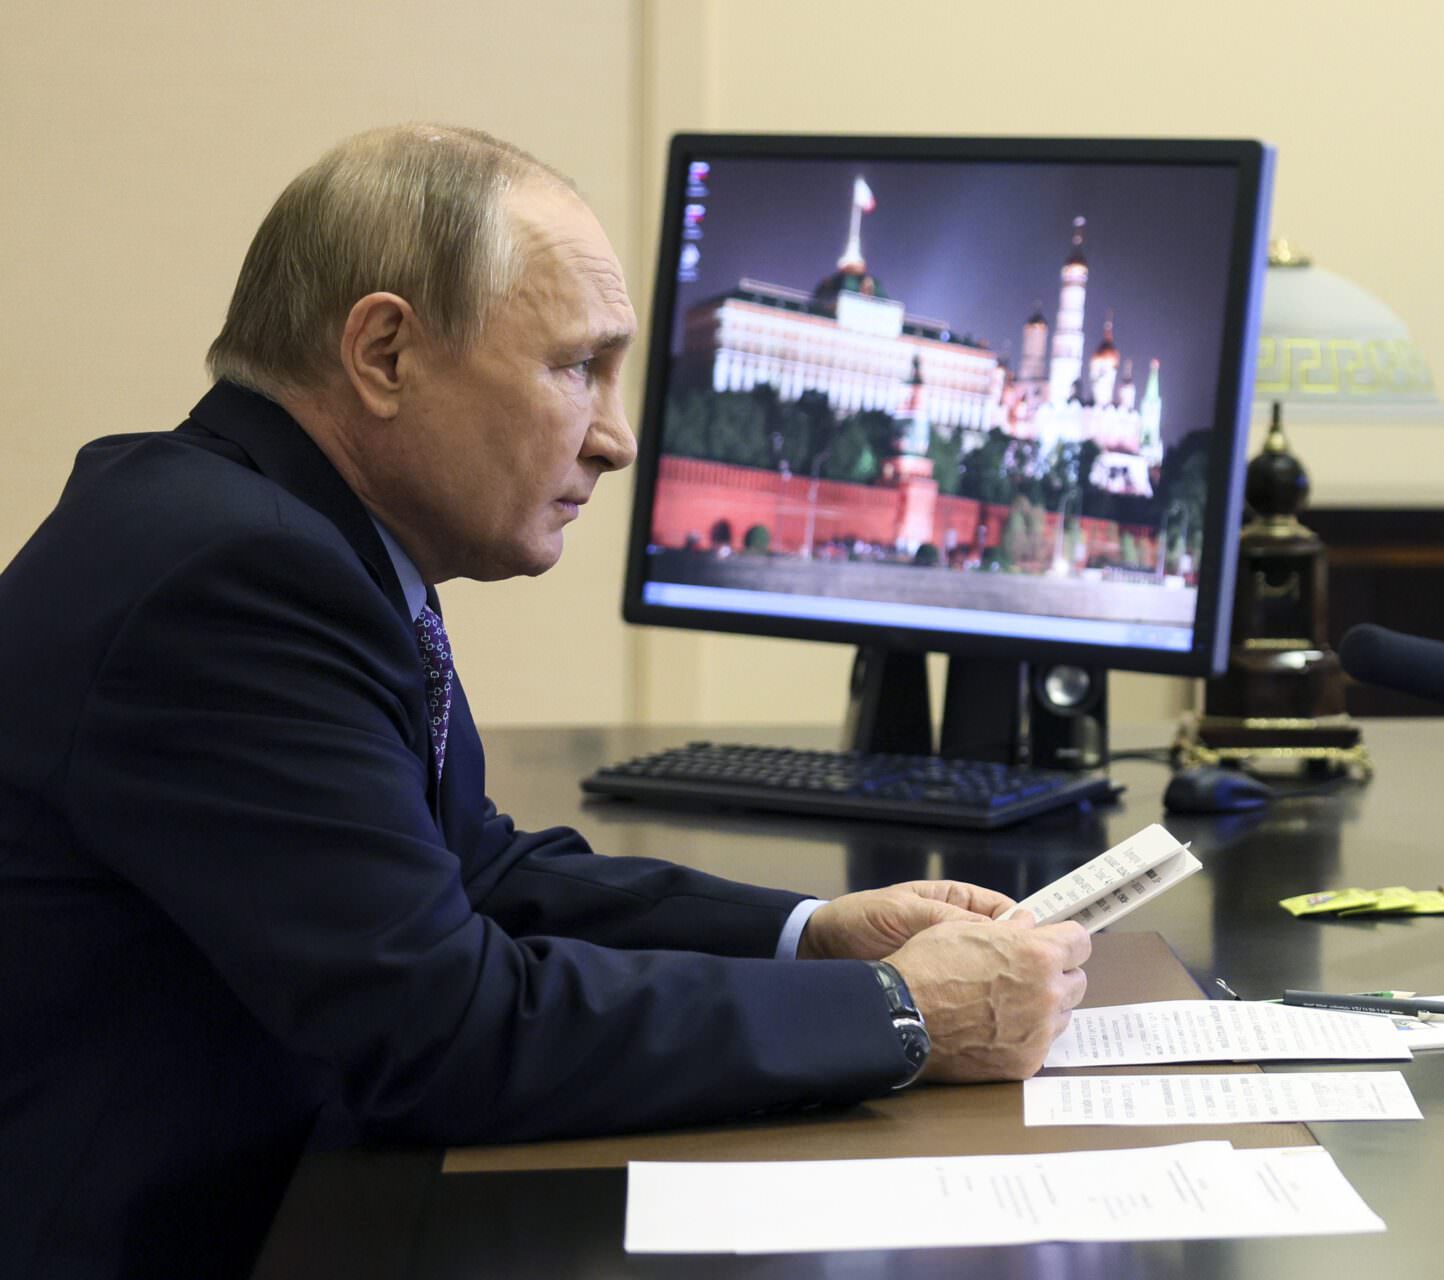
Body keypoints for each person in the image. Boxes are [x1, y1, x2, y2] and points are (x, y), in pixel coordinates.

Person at [0, 124, 1091, 1278]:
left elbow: (477, 870)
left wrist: (813, 937)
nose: (617, 438)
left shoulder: (276, 532)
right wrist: (897, 1012)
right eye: (579, 367)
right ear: (384, 353)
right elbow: (444, 1034)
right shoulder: (241, 580)